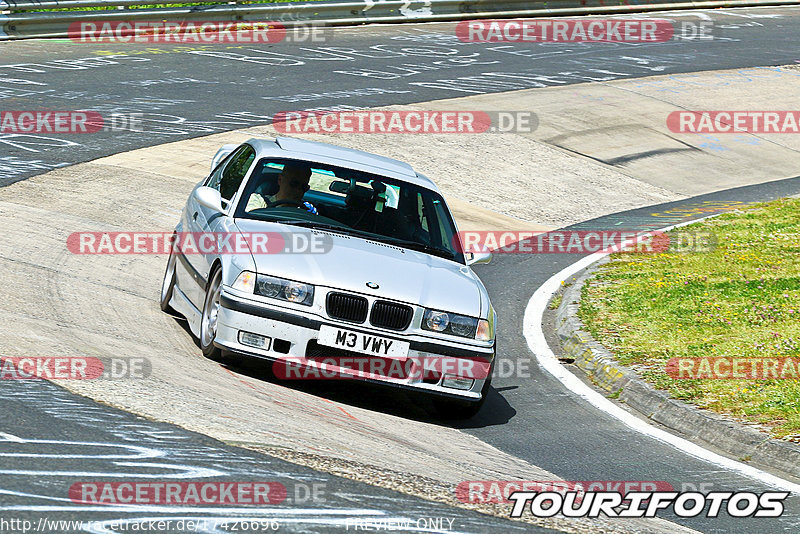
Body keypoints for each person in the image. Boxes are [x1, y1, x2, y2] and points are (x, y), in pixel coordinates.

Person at [246, 163, 317, 214]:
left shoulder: (306, 210)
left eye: (304, 187)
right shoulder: (258, 201)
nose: (299, 190)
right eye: (294, 183)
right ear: (280, 180)